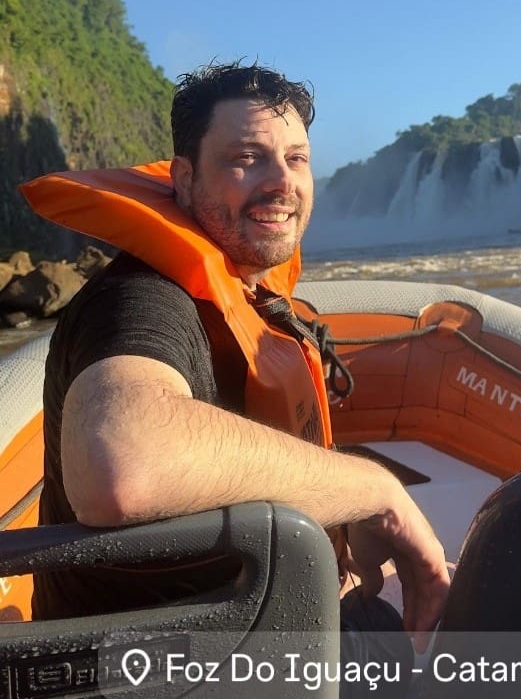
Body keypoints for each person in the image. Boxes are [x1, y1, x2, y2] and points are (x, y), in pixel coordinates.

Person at [29, 61, 450, 657]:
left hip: (253, 629)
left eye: (297, 158)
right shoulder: (139, 300)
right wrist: (375, 490)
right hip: (166, 676)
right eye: (247, 157)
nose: (282, 182)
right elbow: (122, 465)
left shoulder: (250, 293)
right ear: (183, 177)